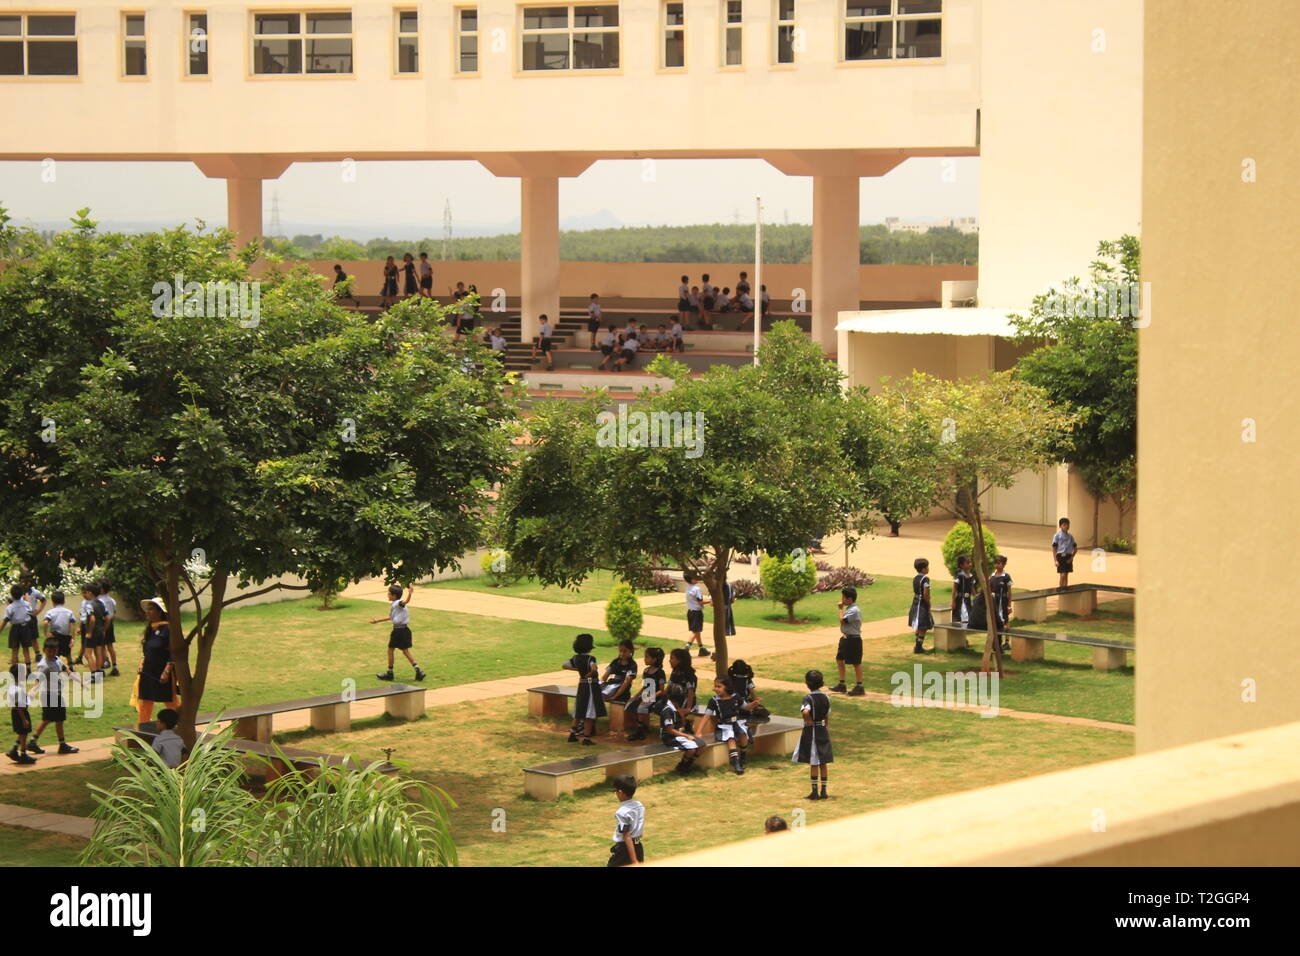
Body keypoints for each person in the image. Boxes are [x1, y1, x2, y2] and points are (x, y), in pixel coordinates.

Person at [133, 598, 180, 727]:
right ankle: (143, 730)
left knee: (171, 702)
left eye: (151, 609)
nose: (147, 612)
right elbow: (147, 649)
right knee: (145, 702)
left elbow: (173, 652)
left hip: (163, 673)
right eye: (147, 609)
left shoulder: (168, 629)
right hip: (148, 671)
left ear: (160, 612)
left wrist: (167, 671)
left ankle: (180, 725)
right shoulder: (150, 629)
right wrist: (142, 662)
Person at [28, 638, 79, 755]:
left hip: (57, 695)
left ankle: (58, 744)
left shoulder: (57, 660)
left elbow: (67, 671)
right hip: (49, 695)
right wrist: (33, 690)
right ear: (44, 650)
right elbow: (38, 680)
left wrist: (80, 682)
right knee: (50, 719)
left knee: (56, 719)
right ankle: (37, 742)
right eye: (49, 651)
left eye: (54, 651)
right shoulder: (43, 665)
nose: (52, 654)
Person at [705, 675, 761, 774]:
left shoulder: (735, 696)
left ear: (727, 687)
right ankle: (736, 764)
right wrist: (699, 732)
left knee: (743, 735)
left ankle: (743, 758)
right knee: (731, 739)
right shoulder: (714, 700)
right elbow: (706, 716)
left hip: (737, 722)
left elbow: (746, 707)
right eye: (715, 686)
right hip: (724, 725)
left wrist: (754, 704)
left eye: (719, 686)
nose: (716, 689)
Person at [371, 584, 426, 682]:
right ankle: (418, 671)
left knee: (390, 650)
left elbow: (405, 602)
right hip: (405, 630)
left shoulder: (398, 603)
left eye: (389, 594)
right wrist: (377, 620)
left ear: (394, 595)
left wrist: (410, 594)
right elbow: (391, 618)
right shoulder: (395, 605)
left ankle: (390, 673)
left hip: (398, 631)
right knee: (405, 651)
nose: (387, 595)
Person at [793, 669, 832, 800]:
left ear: (807, 683)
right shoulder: (826, 697)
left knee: (814, 761)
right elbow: (827, 712)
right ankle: (824, 791)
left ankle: (814, 791)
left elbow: (805, 711)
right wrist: (825, 723)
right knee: (824, 761)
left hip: (813, 730)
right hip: (822, 729)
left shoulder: (808, 698)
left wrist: (808, 720)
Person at [563, 632, 606, 745]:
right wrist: (590, 672)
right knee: (589, 712)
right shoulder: (591, 658)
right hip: (591, 686)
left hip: (582, 685)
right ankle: (586, 738)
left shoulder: (575, 658)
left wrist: (579, 670)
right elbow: (593, 668)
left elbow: (565, 665)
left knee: (579, 709)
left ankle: (572, 734)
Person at [624, 646, 666, 742]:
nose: (644, 659)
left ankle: (640, 731)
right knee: (629, 705)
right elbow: (644, 687)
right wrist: (635, 696)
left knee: (641, 707)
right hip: (646, 695)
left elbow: (662, 690)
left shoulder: (660, 673)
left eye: (647, 657)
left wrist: (650, 697)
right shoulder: (646, 671)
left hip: (655, 697)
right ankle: (642, 726)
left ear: (654, 659)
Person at [659, 683, 701, 775]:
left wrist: (681, 715)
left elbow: (683, 724)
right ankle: (682, 767)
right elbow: (670, 730)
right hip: (669, 737)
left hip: (679, 734)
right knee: (692, 749)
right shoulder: (667, 711)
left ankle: (687, 764)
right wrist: (687, 736)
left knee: (701, 745)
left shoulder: (676, 708)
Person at [829, 586, 865, 696]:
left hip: (853, 640)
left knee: (856, 663)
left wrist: (840, 609)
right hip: (845, 638)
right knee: (839, 659)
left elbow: (843, 621)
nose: (842, 600)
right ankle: (842, 684)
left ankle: (859, 686)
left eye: (844, 598)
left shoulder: (854, 610)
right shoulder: (850, 608)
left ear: (850, 599)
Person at [608, 774, 645, 867]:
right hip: (638, 847)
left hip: (625, 850)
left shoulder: (622, 812)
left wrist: (634, 860)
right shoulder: (639, 805)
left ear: (620, 792)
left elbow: (626, 835)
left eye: (615, 791)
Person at [2, 584, 37, 669]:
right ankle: (28, 669)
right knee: (26, 649)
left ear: (12, 595)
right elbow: (31, 613)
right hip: (25, 628)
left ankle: (14, 670)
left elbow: (6, 620)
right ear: (22, 594)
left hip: (15, 629)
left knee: (15, 650)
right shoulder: (26, 604)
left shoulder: (10, 607)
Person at [5, 663, 34, 764]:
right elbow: (19, 706)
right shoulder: (18, 689)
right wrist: (24, 719)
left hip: (15, 712)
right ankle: (23, 755)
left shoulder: (13, 686)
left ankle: (14, 750)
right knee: (24, 733)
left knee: (22, 732)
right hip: (20, 713)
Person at [80, 584, 108, 679]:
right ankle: (100, 671)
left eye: (85, 593)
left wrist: (89, 632)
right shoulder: (102, 604)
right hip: (100, 631)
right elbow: (107, 618)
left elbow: (92, 619)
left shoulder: (89, 605)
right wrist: (104, 629)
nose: (83, 595)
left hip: (93, 632)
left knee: (87, 654)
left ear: (89, 593)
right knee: (98, 651)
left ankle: (94, 674)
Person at [42, 591, 76, 667]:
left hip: (55, 636)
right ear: (64, 601)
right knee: (68, 654)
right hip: (66, 636)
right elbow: (72, 624)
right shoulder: (69, 612)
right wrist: (72, 637)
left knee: (55, 654)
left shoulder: (50, 612)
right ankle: (71, 668)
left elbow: (45, 622)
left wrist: (46, 634)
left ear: (53, 602)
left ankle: (56, 668)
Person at [600, 639, 638, 703]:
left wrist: (614, 696)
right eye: (620, 651)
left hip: (622, 693)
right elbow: (603, 678)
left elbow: (625, 683)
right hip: (611, 687)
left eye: (625, 651)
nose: (622, 654)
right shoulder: (615, 662)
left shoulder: (632, 665)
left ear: (631, 651)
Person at [682, 571, 710, 658]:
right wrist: (711, 600)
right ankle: (686, 649)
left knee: (697, 631)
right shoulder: (696, 589)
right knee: (695, 631)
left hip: (690, 612)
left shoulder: (688, 588)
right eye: (695, 577)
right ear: (692, 579)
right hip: (696, 612)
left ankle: (701, 649)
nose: (697, 578)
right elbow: (700, 602)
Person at [909, 558, 933, 654]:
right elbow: (926, 593)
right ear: (923, 569)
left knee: (918, 625)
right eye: (927, 567)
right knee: (923, 626)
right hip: (922, 604)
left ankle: (917, 646)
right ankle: (918, 647)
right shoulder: (925, 579)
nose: (928, 568)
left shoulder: (915, 578)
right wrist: (929, 604)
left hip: (915, 602)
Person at [989, 555, 1013, 651]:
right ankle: (995, 642)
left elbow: (1009, 592)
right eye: (996, 563)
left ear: (1003, 565)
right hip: (994, 602)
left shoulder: (1006, 577)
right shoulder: (992, 576)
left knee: (1005, 621)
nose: (997, 565)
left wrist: (1009, 605)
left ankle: (1007, 642)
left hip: (1003, 603)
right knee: (995, 622)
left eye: (999, 563)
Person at [667, 647, 698, 718]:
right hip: (674, 700)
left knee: (678, 713)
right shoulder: (675, 672)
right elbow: (668, 688)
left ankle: (683, 727)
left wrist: (688, 708)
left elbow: (691, 692)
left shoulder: (688, 674)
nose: (669, 661)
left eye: (672, 658)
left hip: (685, 702)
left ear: (679, 660)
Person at [98, 579, 119, 677]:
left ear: (101, 589)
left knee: (101, 646)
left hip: (102, 623)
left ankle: (102, 667)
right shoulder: (112, 600)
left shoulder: (99, 600)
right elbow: (114, 613)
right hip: (110, 624)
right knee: (110, 646)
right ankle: (115, 667)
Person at [952, 554, 975, 628]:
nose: (970, 564)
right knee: (961, 616)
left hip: (967, 600)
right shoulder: (960, 575)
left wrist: (976, 597)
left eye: (970, 562)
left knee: (967, 616)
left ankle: (963, 635)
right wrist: (953, 601)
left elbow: (972, 588)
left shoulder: (971, 576)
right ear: (961, 565)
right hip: (960, 600)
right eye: (968, 563)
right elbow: (954, 589)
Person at [1052, 517, 1077, 588]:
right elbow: (1054, 548)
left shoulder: (1070, 537)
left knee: (1066, 575)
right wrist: (1055, 560)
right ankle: (1061, 588)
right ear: (1060, 526)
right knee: (1062, 575)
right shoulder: (1057, 536)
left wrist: (1071, 557)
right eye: (1064, 525)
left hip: (1068, 557)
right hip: (1060, 557)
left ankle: (1065, 589)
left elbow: (1075, 548)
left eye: (1068, 525)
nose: (1066, 526)